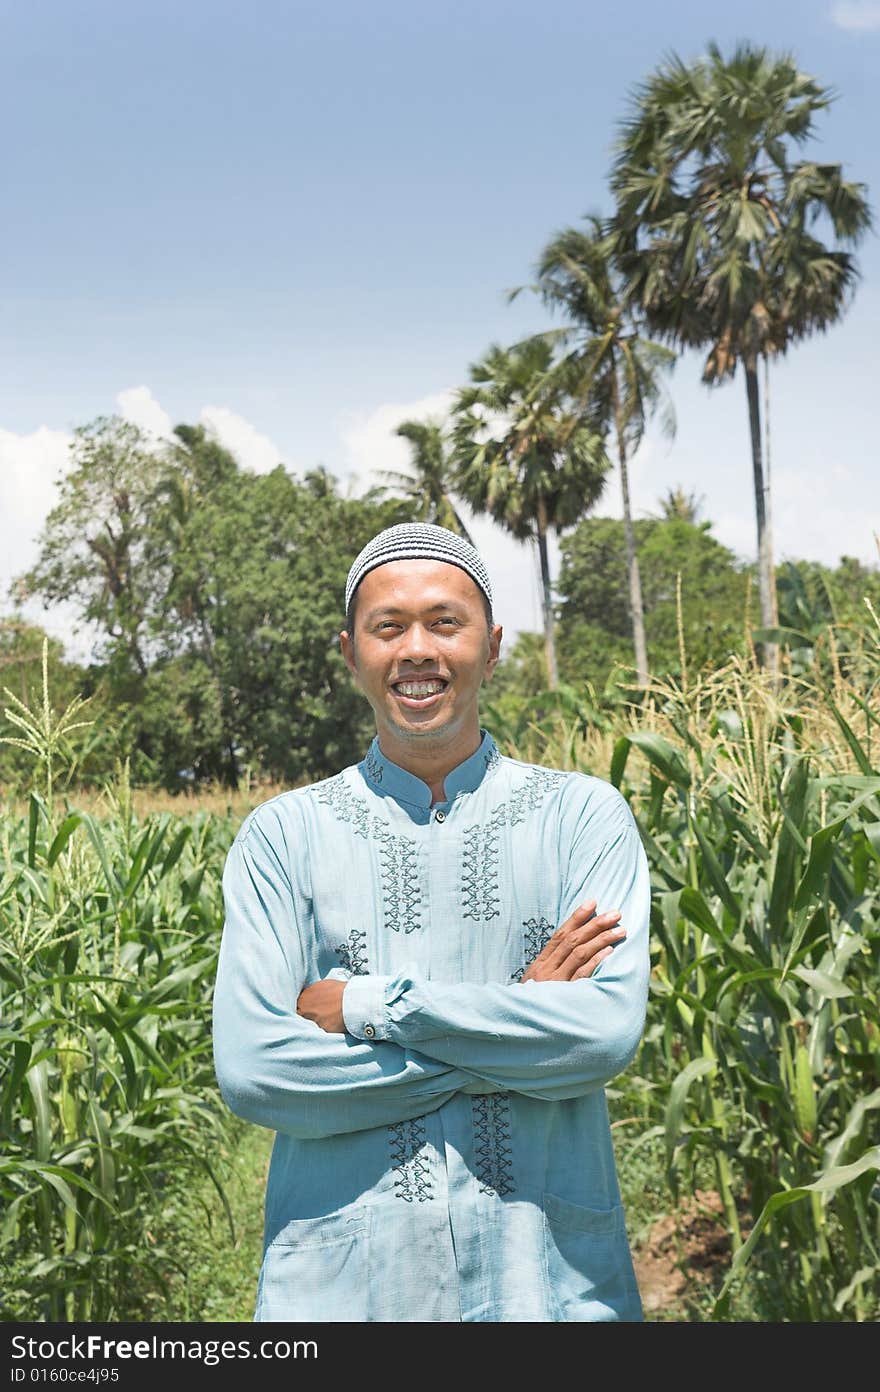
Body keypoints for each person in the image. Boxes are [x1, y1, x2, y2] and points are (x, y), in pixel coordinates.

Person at [212, 521, 651, 1322]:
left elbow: (600, 1037)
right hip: (347, 1296)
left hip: (547, 1285)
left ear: (493, 646)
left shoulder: (582, 817)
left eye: (446, 622)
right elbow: (256, 1070)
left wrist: (368, 1009)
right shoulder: (284, 835)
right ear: (351, 652)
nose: (417, 649)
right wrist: (521, 1017)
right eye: (389, 627)